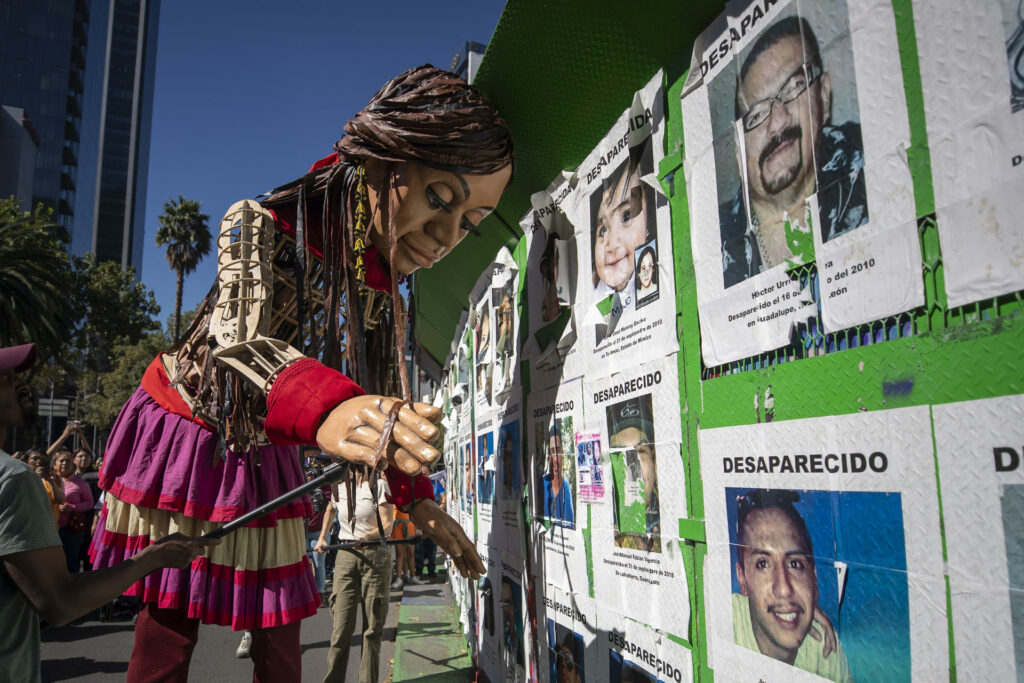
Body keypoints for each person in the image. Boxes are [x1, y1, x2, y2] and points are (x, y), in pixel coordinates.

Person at [88, 65, 508, 681]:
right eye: (440, 198)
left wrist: (416, 499)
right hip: (188, 430)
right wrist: (331, 406)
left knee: (280, 631)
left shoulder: (379, 285)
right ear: (378, 160)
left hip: (270, 444)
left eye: (469, 222)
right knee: (168, 628)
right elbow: (238, 342)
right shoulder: (255, 222)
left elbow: (377, 395)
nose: (446, 236)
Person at [0, 342, 215, 683]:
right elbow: (61, 602)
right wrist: (151, 559)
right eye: (7, 379)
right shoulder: (13, 479)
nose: (23, 385)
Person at [720, 15, 868, 287]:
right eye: (756, 115)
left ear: (823, 95)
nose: (777, 123)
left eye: (793, 88)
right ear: (739, 154)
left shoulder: (869, 164)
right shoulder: (720, 239)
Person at [732, 489, 851, 682]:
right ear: (742, 579)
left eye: (795, 564)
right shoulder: (724, 618)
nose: (784, 589)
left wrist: (803, 605)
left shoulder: (825, 647)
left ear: (814, 579)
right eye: (763, 564)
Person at [314, 474, 394, 683]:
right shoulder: (339, 486)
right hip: (345, 553)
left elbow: (388, 524)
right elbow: (331, 509)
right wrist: (322, 537)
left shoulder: (379, 485)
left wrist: (368, 536)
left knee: (372, 629)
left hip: (374, 554)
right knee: (341, 629)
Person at [607, 396, 659, 552]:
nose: (632, 466)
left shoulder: (670, 520)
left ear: (654, 459)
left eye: (640, 450)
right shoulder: (606, 529)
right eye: (620, 453)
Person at [53, 449, 94, 572]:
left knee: (70, 562)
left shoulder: (80, 482)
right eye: (61, 461)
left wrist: (71, 507)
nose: (64, 463)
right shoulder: (49, 480)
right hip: (51, 527)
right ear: (54, 464)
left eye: (68, 461)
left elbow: (89, 503)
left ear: (73, 464)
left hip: (70, 528)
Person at [542, 424, 574, 526]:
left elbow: (569, 526)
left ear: (563, 453)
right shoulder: (541, 485)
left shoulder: (566, 487)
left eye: (558, 451)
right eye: (552, 452)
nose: (555, 458)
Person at [415, 465, 441, 578]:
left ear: (430, 474)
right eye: (420, 474)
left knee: (432, 546)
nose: (422, 476)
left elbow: (443, 497)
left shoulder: (435, 483)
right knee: (419, 547)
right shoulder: (415, 485)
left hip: (433, 520)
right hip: (420, 520)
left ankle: (431, 570)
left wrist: (439, 508)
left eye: (424, 474)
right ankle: (418, 570)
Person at [26, 450, 63, 526]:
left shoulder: (55, 479)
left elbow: (60, 500)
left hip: (48, 525)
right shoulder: (22, 477)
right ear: (27, 461)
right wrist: (35, 477)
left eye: (42, 460)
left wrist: (52, 483)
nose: (38, 462)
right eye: (35, 459)